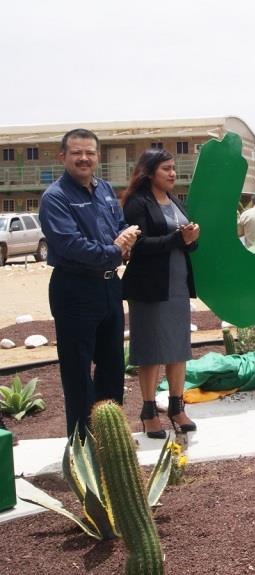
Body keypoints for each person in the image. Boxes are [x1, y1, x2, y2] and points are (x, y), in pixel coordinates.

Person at [39, 129, 140, 437]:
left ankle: (110, 439)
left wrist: (128, 239)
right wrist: (116, 250)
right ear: (63, 157)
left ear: (97, 156)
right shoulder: (55, 197)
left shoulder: (105, 189)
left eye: (90, 153)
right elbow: (70, 245)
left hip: (109, 287)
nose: (84, 158)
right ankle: (82, 442)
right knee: (78, 371)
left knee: (112, 366)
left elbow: (120, 225)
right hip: (74, 289)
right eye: (76, 153)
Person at [121, 148, 200, 437]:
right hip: (149, 287)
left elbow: (186, 243)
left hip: (178, 285)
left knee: (179, 348)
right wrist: (178, 238)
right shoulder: (137, 202)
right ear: (149, 172)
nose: (172, 173)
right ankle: (149, 411)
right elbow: (139, 245)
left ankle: (177, 408)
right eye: (166, 168)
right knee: (152, 350)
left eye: (173, 168)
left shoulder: (175, 201)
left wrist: (190, 239)